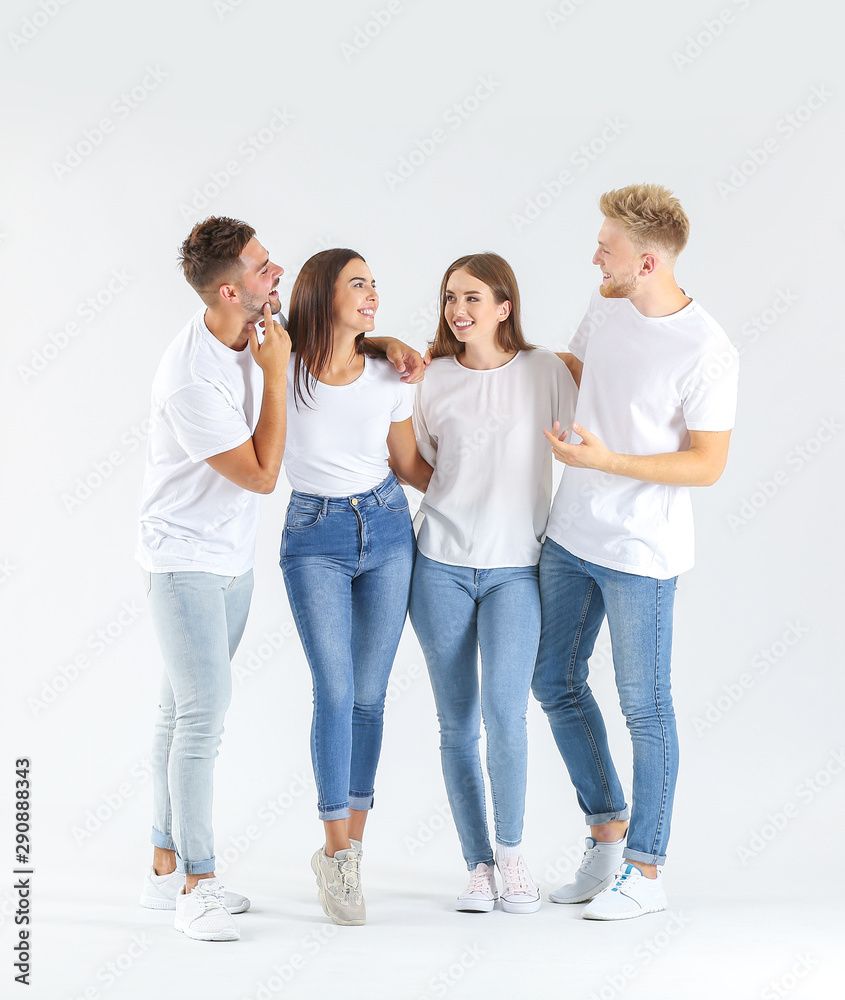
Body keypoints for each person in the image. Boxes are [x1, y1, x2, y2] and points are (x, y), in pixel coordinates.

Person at [532, 184, 739, 920]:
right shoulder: (609, 302)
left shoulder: (707, 349)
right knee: (551, 680)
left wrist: (608, 462)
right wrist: (485, 351)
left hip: (640, 551)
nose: (595, 256)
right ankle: (607, 833)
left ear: (646, 261)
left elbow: (706, 463)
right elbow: (581, 371)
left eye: (606, 248)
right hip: (569, 533)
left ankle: (646, 874)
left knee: (645, 708)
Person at [136, 216, 290, 941]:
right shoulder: (190, 376)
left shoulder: (250, 330)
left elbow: (332, 333)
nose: (277, 273)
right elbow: (261, 476)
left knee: (178, 714)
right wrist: (277, 376)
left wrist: (387, 346)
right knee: (202, 720)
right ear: (230, 290)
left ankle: (163, 867)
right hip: (184, 564)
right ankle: (198, 883)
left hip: (231, 562)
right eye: (264, 269)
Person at [409, 253, 577, 913]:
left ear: (505, 306)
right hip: (439, 567)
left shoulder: (546, 372)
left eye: (474, 297)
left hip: (515, 570)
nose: (459, 309)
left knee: (505, 713)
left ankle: (510, 853)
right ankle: (475, 864)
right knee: (456, 725)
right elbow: (422, 465)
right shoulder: (432, 379)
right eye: (451, 296)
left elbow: (589, 434)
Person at [279, 248, 433, 926]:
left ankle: (350, 856)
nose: (372, 292)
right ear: (320, 294)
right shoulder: (279, 369)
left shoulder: (387, 373)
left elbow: (408, 465)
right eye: (357, 283)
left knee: (369, 697)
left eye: (375, 282)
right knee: (334, 691)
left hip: (388, 527)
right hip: (315, 536)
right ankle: (333, 851)